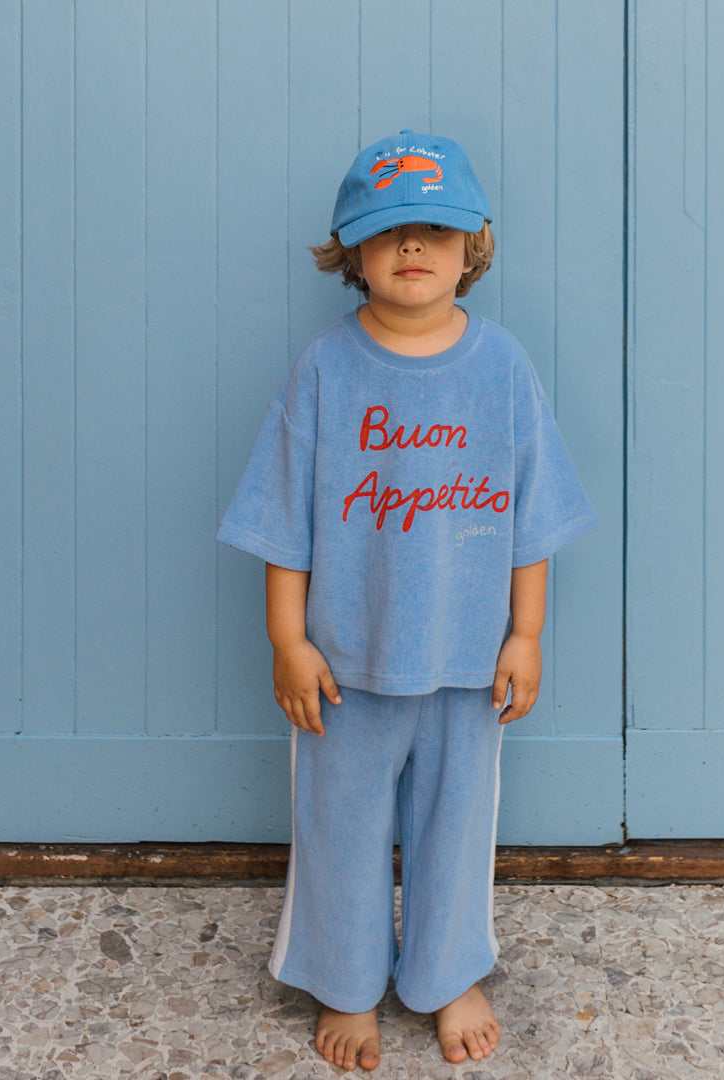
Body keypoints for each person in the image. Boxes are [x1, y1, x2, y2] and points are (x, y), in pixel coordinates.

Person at [217, 130, 597, 1072]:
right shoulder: (324, 370)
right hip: (344, 669)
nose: (414, 247)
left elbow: (532, 518)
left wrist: (529, 635)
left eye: (436, 229)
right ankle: (346, 982)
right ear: (354, 253)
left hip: (469, 665)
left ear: (474, 248)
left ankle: (445, 973)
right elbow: (282, 521)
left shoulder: (504, 368)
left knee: (456, 827)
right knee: (340, 832)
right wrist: (287, 641)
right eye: (391, 231)